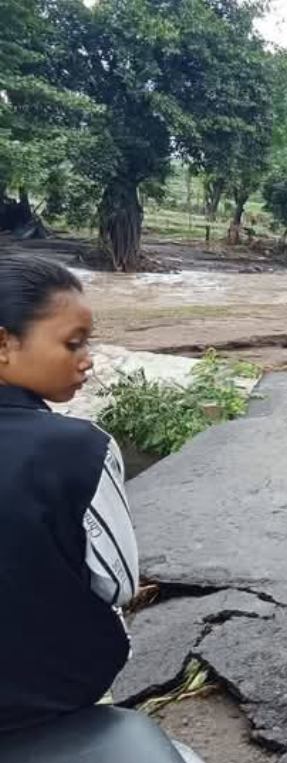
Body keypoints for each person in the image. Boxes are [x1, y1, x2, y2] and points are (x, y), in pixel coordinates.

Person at [0, 254, 139, 732]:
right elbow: (118, 586)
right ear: (3, 344)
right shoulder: (83, 447)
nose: (88, 359)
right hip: (49, 696)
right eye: (73, 343)